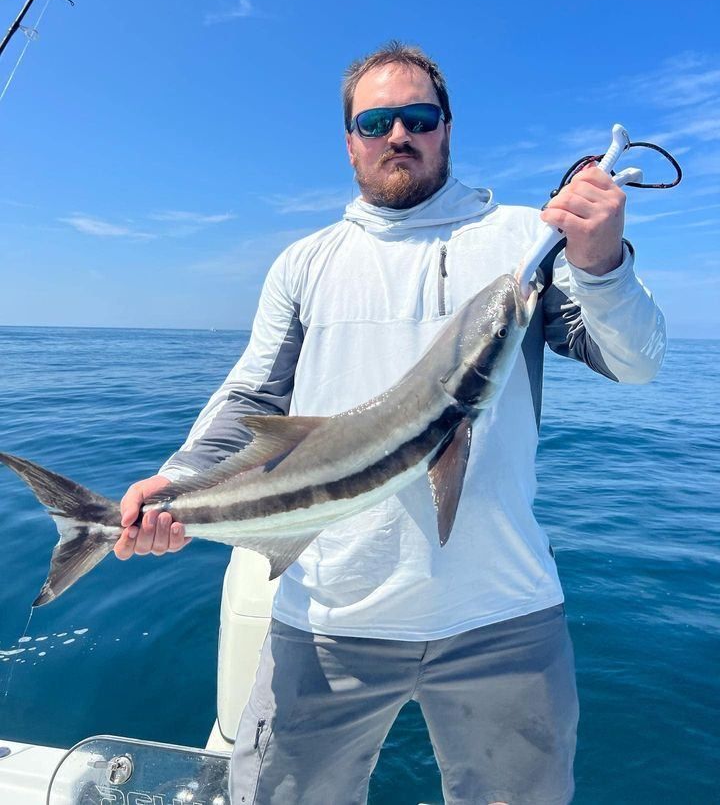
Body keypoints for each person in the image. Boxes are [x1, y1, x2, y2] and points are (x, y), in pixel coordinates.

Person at [115, 41, 665, 805]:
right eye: (376, 121)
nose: (397, 134)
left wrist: (603, 263)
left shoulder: (523, 243)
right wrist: (179, 479)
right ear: (350, 143)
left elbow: (634, 360)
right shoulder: (306, 262)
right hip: (329, 615)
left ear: (446, 128)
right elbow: (252, 401)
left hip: (503, 614)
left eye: (418, 116)